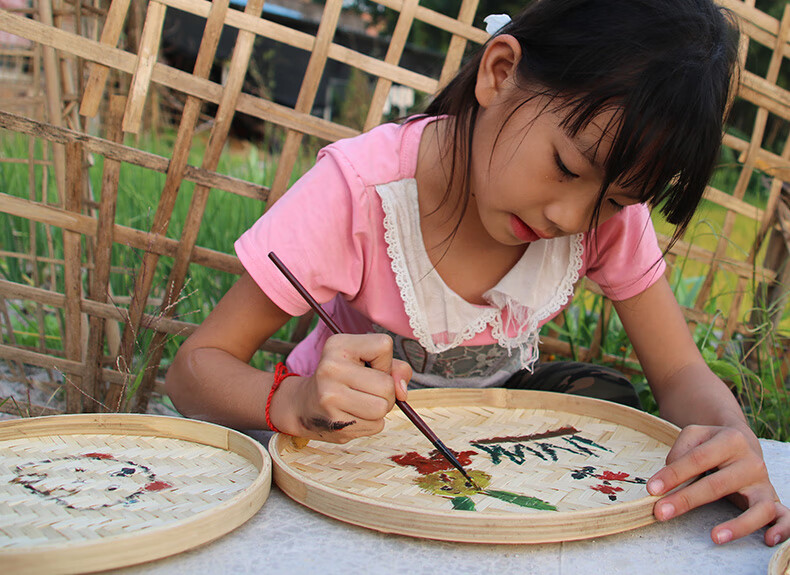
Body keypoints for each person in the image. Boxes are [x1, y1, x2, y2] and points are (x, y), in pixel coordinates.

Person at [166, 0, 788, 547]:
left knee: (604, 397)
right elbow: (195, 369)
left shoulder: (607, 217)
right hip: (354, 430)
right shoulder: (361, 192)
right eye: (567, 167)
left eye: (616, 200)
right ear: (499, 72)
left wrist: (734, 441)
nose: (570, 217)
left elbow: (678, 372)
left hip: (491, 436)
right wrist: (296, 402)